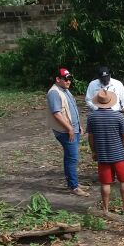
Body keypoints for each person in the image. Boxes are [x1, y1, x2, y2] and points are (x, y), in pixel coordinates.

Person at [87, 89, 124, 215]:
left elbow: (91, 137)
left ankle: (105, 209)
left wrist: (94, 151)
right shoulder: (118, 116)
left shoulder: (92, 117)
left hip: (103, 155)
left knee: (105, 183)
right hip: (119, 154)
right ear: (110, 101)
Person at [46, 67, 89, 197]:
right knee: (72, 158)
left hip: (72, 129)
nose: (68, 81)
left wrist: (78, 125)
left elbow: (71, 109)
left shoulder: (64, 90)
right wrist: (70, 128)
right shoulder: (54, 92)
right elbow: (57, 113)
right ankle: (74, 187)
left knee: (70, 157)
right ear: (58, 79)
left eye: (69, 79)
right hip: (65, 131)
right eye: (65, 79)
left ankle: (72, 183)